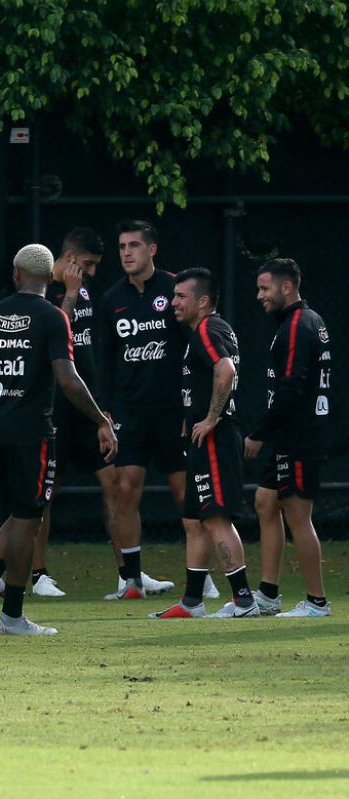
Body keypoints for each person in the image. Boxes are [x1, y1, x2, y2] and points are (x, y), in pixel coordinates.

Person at [0, 244, 117, 636]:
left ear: (16, 275)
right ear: (49, 278)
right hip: (31, 432)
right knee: (28, 519)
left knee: (18, 515)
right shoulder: (52, 316)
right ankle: (12, 614)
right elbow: (68, 379)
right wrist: (100, 419)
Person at [36, 228, 174, 598]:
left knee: (115, 482)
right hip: (54, 407)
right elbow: (51, 337)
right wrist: (68, 295)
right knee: (45, 490)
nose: (93, 273)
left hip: (87, 404)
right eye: (88, 264)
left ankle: (128, 574)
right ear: (69, 259)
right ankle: (38, 574)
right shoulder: (44, 289)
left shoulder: (84, 290)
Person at [96, 220, 210, 601]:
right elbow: (105, 361)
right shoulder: (111, 299)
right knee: (125, 490)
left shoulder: (175, 291)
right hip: (130, 412)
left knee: (184, 494)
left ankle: (203, 576)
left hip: (173, 413)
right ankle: (132, 581)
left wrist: (194, 407)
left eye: (134, 245)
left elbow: (200, 349)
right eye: (122, 247)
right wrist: (104, 412)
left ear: (152, 250)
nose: (127, 253)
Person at [153, 269, 256, 618]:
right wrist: (193, 413)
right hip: (202, 439)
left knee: (215, 519)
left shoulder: (207, 329)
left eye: (181, 296)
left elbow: (225, 370)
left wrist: (211, 417)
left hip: (215, 438)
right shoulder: (211, 329)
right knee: (195, 521)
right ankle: (192, 602)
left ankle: (244, 601)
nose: (173, 302)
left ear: (204, 301)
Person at [245, 259, 332, 618]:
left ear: (287, 287)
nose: (259, 296)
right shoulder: (299, 322)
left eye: (265, 288)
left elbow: (292, 387)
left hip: (300, 437)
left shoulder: (298, 324)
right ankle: (268, 595)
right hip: (287, 435)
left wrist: (259, 433)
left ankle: (317, 602)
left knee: (298, 515)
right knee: (265, 501)